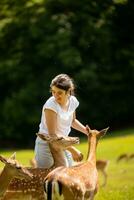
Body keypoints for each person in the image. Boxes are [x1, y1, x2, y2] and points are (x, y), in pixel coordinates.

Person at [34, 74, 89, 168]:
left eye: (59, 93)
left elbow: (72, 121)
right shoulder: (51, 105)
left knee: (67, 175)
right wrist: (73, 150)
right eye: (53, 92)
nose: (55, 96)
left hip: (63, 143)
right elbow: (52, 135)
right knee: (47, 178)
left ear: (68, 92)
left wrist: (87, 132)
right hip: (47, 144)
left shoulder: (73, 101)